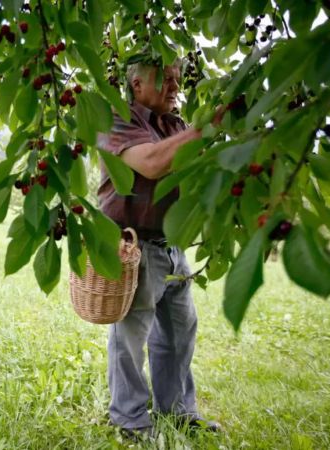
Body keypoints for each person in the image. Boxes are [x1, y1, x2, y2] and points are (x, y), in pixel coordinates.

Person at [96, 60, 222, 440]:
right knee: (130, 338)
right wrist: (209, 125)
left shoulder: (175, 125)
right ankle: (130, 419)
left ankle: (178, 411)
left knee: (179, 332)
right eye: (166, 79)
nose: (175, 86)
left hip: (172, 248)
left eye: (177, 79)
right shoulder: (117, 121)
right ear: (136, 84)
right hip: (134, 245)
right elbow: (151, 164)